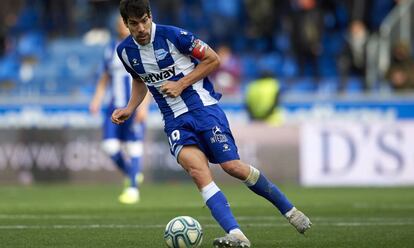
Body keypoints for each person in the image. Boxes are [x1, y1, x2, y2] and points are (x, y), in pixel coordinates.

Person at [111, 0, 312, 246]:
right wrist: (130, 108)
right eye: (134, 24)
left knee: (232, 166)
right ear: (126, 24)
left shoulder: (175, 36)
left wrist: (181, 84)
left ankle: (290, 211)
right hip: (174, 121)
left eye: (144, 21)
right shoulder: (125, 51)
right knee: (198, 172)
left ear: (150, 16)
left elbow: (213, 59)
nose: (141, 28)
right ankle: (237, 235)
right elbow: (139, 80)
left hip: (204, 110)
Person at [90, 15, 150, 204]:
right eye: (119, 24)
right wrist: (96, 100)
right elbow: (104, 79)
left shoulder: (141, 48)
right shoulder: (111, 50)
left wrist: (144, 106)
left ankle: (133, 189)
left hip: (134, 106)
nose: (121, 27)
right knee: (109, 146)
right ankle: (131, 173)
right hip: (113, 107)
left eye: (124, 23)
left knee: (133, 146)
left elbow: (148, 80)